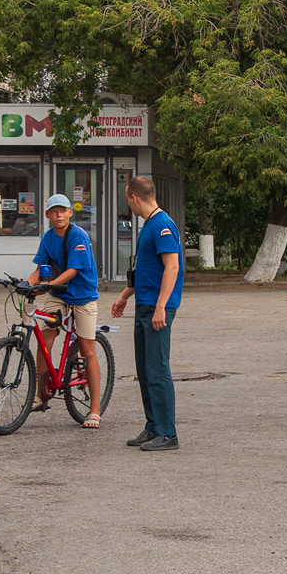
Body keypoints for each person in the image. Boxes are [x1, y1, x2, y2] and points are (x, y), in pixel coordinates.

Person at [111, 176, 182, 452]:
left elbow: (172, 267)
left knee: (157, 369)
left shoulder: (162, 225)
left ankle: (167, 433)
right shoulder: (149, 224)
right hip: (144, 304)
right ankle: (153, 426)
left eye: (127, 199)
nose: (128, 205)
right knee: (144, 368)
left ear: (134, 198)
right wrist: (125, 296)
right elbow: (145, 270)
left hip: (157, 307)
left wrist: (161, 306)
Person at [27, 193, 102, 427]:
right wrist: (26, 285)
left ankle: (95, 409)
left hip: (83, 294)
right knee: (44, 339)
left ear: (70, 212)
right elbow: (40, 269)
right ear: (47, 215)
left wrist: (47, 285)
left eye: (62, 211)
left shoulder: (78, 235)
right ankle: (41, 394)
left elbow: (73, 270)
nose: (58, 215)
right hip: (58, 294)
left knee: (87, 349)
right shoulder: (48, 237)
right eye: (54, 211)